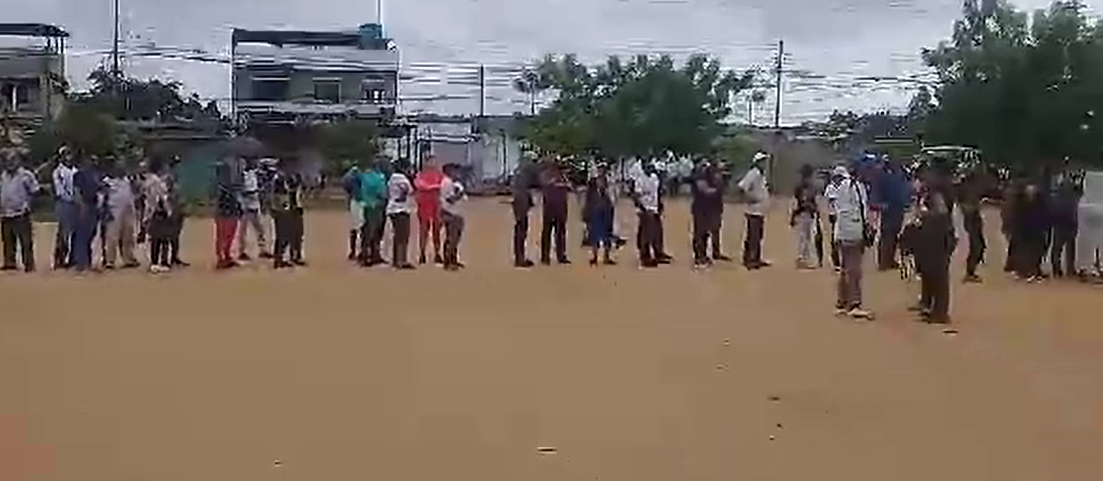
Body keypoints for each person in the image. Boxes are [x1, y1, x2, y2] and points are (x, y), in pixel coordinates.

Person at [831, 165, 874, 319]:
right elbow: (857, 212)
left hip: (843, 232)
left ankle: (842, 302)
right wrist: (865, 230)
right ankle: (854, 304)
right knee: (854, 270)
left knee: (845, 269)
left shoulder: (846, 186)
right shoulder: (854, 187)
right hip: (852, 232)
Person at [910, 185, 957, 323]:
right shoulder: (934, 200)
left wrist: (923, 215)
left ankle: (940, 313)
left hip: (938, 247)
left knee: (939, 280)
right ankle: (932, 308)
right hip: (934, 247)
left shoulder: (937, 208)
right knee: (931, 277)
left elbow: (940, 216)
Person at [0, 150, 40, 272]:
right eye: (8, 161)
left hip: (21, 213)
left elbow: (35, 191)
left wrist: (28, 205)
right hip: (6, 212)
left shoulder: (26, 175)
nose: (10, 163)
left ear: (18, 161)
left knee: (25, 240)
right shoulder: (3, 176)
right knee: (7, 239)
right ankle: (10, 262)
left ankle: (28, 264)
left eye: (13, 160)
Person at [101, 160, 139, 270]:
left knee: (128, 235)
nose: (122, 170)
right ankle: (109, 260)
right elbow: (102, 197)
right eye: (119, 168)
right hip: (114, 211)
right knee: (112, 236)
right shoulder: (107, 181)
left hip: (128, 210)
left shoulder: (127, 180)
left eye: (123, 167)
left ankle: (129, 259)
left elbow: (136, 192)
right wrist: (105, 211)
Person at [874, 158, 911, 271]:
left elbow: (905, 190)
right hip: (889, 208)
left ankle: (889, 260)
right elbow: (877, 193)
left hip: (897, 208)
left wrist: (906, 202)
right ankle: (883, 262)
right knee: (887, 234)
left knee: (894, 234)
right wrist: (879, 204)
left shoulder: (899, 175)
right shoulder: (883, 176)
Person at [271, 158, 307, 268]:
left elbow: (299, 192)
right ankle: (279, 258)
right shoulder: (279, 179)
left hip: (294, 208)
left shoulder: (294, 176)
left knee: (297, 233)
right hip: (283, 209)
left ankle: (295, 256)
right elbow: (280, 196)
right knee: (282, 235)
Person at [737, 152, 770, 269]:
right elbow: (742, 187)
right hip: (753, 210)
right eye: (763, 161)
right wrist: (750, 198)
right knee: (753, 236)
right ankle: (748, 259)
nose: (765, 163)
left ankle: (756, 258)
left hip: (760, 210)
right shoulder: (753, 173)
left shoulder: (761, 174)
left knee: (758, 235)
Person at [1013, 180, 1050, 281]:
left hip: (1036, 230)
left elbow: (1044, 214)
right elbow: (1017, 215)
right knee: (1024, 251)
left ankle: (1035, 271)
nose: (1031, 191)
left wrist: (1045, 227)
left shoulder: (1040, 200)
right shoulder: (1020, 200)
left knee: (1037, 251)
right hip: (1024, 230)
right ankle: (1023, 271)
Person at [72, 155, 103, 273]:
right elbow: (76, 191)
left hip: (94, 206)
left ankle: (87, 262)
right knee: (82, 236)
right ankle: (81, 264)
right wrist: (81, 205)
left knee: (91, 234)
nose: (94, 163)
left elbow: (99, 189)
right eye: (91, 161)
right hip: (84, 205)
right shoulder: (79, 175)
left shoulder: (95, 175)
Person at [691, 161, 725, 267]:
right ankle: (699, 256)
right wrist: (718, 189)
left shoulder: (712, 177)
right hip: (700, 208)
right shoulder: (698, 177)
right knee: (700, 233)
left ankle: (705, 255)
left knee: (706, 232)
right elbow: (705, 190)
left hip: (710, 208)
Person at [237, 156, 271, 261]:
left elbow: (259, 185)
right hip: (245, 205)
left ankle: (263, 250)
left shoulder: (253, 173)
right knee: (243, 230)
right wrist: (249, 194)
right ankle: (242, 251)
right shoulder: (240, 176)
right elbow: (240, 189)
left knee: (260, 229)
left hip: (254, 204)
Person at [143, 159, 174, 273]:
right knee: (164, 239)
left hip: (151, 212)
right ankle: (163, 262)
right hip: (160, 212)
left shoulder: (148, 180)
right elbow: (162, 198)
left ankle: (154, 262)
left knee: (155, 239)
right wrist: (168, 211)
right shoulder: (158, 182)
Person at [1050, 171, 1081, 278]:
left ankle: (1058, 270)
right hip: (1066, 223)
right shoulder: (1069, 196)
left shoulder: (1060, 194)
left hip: (1063, 223)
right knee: (1065, 248)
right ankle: (1067, 270)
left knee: (1059, 249)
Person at [583, 164, 617, 266]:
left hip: (606, 211)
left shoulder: (608, 186)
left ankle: (606, 257)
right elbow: (587, 201)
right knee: (594, 235)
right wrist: (586, 213)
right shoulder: (592, 189)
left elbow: (613, 199)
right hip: (595, 211)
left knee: (607, 233)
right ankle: (595, 257)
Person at [632, 160, 663, 268]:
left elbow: (657, 192)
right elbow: (636, 196)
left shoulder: (654, 177)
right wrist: (643, 209)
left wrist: (660, 205)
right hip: (645, 210)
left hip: (654, 208)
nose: (649, 167)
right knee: (646, 234)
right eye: (647, 166)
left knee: (657, 232)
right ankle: (645, 257)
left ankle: (658, 253)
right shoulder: (640, 180)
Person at [540, 160, 572, 265]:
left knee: (560, 232)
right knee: (547, 232)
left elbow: (570, 187)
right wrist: (556, 182)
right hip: (550, 208)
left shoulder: (563, 177)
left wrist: (562, 182)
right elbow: (544, 184)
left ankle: (561, 255)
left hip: (561, 208)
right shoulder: (546, 175)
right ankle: (545, 256)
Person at [415, 157, 446, 265]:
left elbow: (444, 186)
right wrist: (434, 187)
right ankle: (422, 253)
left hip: (436, 204)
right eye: (430, 161)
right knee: (424, 229)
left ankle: (437, 253)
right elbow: (419, 185)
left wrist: (432, 188)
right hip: (424, 204)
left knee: (436, 230)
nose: (432, 164)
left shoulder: (440, 175)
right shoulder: (420, 174)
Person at [357, 160, 388, 267]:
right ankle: (367, 255)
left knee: (372, 231)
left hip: (370, 205)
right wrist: (383, 196)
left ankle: (372, 254)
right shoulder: (376, 177)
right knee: (372, 231)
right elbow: (381, 192)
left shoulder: (366, 176)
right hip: (374, 206)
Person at [387, 160, 416, 270]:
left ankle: (398, 259)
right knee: (403, 235)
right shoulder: (401, 178)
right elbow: (407, 191)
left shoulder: (392, 178)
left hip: (393, 208)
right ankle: (401, 260)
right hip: (401, 209)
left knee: (398, 235)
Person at [51, 146, 77, 269]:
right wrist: (71, 199)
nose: (69, 157)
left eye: (70, 154)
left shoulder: (76, 171)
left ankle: (73, 258)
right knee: (63, 233)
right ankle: (59, 259)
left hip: (76, 205)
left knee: (75, 232)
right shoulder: (58, 172)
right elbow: (59, 191)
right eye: (66, 154)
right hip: (64, 204)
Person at [214, 160, 242, 270]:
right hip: (223, 213)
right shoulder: (218, 185)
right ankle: (220, 259)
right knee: (222, 237)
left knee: (230, 236)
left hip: (232, 211)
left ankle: (227, 255)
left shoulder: (231, 184)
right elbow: (215, 198)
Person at [958, 171, 986, 283]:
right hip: (972, 221)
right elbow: (965, 207)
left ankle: (971, 271)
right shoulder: (967, 191)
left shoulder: (970, 191)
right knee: (977, 246)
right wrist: (974, 208)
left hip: (974, 220)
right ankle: (970, 272)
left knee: (979, 246)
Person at [791, 164, 819, 269]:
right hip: (805, 213)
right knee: (805, 237)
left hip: (802, 213)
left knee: (804, 237)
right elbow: (805, 201)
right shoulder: (807, 186)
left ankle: (802, 258)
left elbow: (796, 202)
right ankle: (802, 258)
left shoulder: (801, 185)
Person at [440, 163, 467, 271]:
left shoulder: (454, 183)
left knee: (456, 238)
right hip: (450, 212)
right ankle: (448, 261)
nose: (457, 173)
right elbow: (450, 199)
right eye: (455, 170)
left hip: (457, 212)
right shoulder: (446, 183)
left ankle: (453, 259)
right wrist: (460, 194)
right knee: (452, 238)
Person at [511, 162, 536, 268]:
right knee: (521, 232)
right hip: (521, 207)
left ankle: (520, 257)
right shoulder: (522, 181)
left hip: (520, 206)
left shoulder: (519, 178)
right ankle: (519, 259)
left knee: (520, 232)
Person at [165, 159, 189, 267]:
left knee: (176, 235)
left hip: (179, 209)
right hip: (171, 209)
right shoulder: (168, 179)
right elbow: (166, 196)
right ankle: (165, 258)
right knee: (169, 234)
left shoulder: (178, 179)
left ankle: (175, 257)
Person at [823, 166, 844, 270]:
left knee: (843, 238)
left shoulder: (843, 187)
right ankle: (836, 262)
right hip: (834, 215)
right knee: (835, 239)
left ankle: (843, 260)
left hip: (843, 215)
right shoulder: (831, 188)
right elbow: (832, 200)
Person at [342, 163, 362, 260]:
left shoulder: (350, 176)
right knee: (360, 227)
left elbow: (345, 186)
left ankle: (354, 251)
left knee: (355, 227)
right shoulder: (357, 175)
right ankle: (357, 251)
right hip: (359, 201)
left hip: (355, 201)